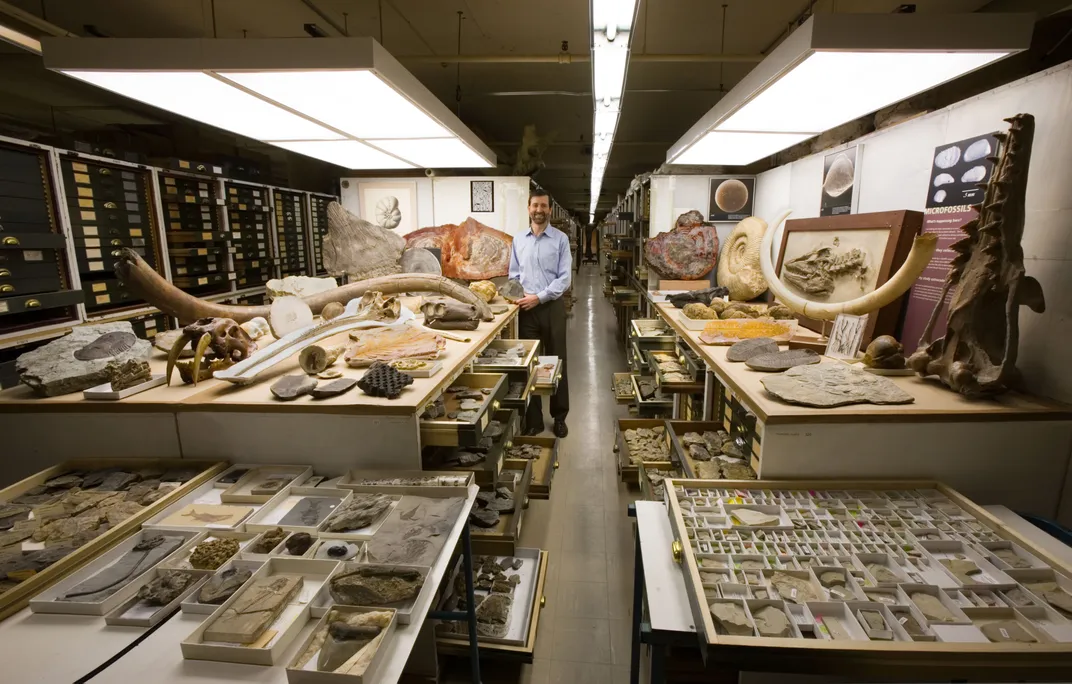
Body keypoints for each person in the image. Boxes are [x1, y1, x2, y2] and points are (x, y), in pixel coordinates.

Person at [509, 190, 572, 438]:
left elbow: (565, 279)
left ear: (549, 210)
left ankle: (559, 417)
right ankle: (533, 420)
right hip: (526, 308)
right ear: (528, 208)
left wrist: (540, 297)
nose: (539, 210)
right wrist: (520, 295)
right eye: (535, 205)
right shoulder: (518, 240)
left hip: (551, 306)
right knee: (530, 364)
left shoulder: (560, 240)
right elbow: (513, 274)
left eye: (543, 206)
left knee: (557, 362)